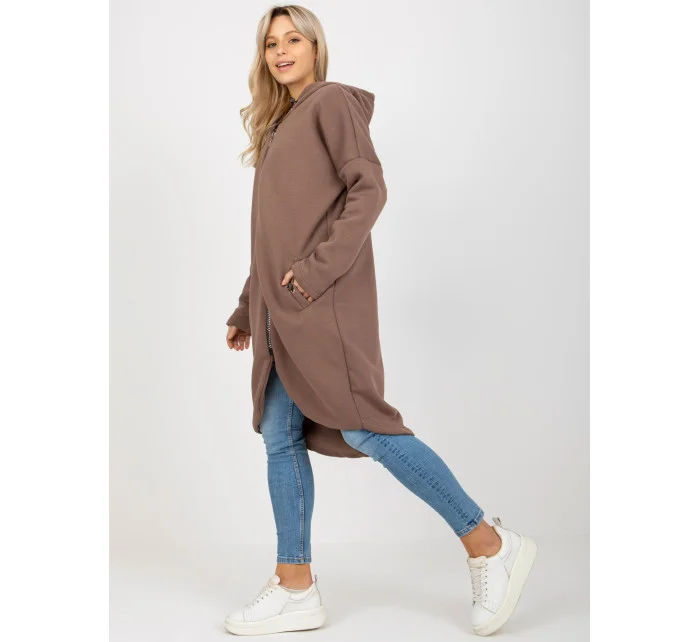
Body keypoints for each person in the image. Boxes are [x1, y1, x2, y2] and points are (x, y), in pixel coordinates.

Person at [223, 5, 537, 637]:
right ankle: (295, 585)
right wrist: (246, 306)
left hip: (321, 306)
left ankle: (489, 543)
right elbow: (272, 238)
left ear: (315, 47)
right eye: (270, 44)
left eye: (293, 39)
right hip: (280, 312)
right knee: (280, 435)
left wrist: (313, 274)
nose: (281, 51)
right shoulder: (279, 126)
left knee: (365, 426)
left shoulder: (331, 103)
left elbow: (369, 190)